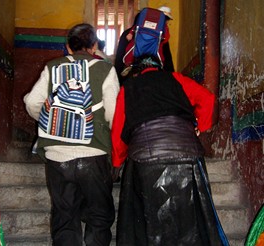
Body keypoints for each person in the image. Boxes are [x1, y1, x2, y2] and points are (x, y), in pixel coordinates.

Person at [111, 55, 229, 245]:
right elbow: (207, 99)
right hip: (187, 152)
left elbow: (119, 131)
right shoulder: (176, 78)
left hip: (146, 156)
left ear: (137, 71)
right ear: (159, 67)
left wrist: (116, 164)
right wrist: (200, 126)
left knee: (152, 219)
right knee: (189, 218)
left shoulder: (129, 88)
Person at [24, 23, 120, 246]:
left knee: (65, 216)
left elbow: (31, 102)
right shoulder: (105, 69)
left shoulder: (52, 67)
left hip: (57, 156)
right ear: (94, 46)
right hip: (94, 153)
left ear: (68, 47)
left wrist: (53, 122)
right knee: (98, 215)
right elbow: (113, 113)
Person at [114, 6, 175, 85]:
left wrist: (119, 81)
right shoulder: (161, 36)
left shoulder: (128, 34)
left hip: (131, 77)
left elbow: (119, 59)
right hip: (156, 78)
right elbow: (168, 62)